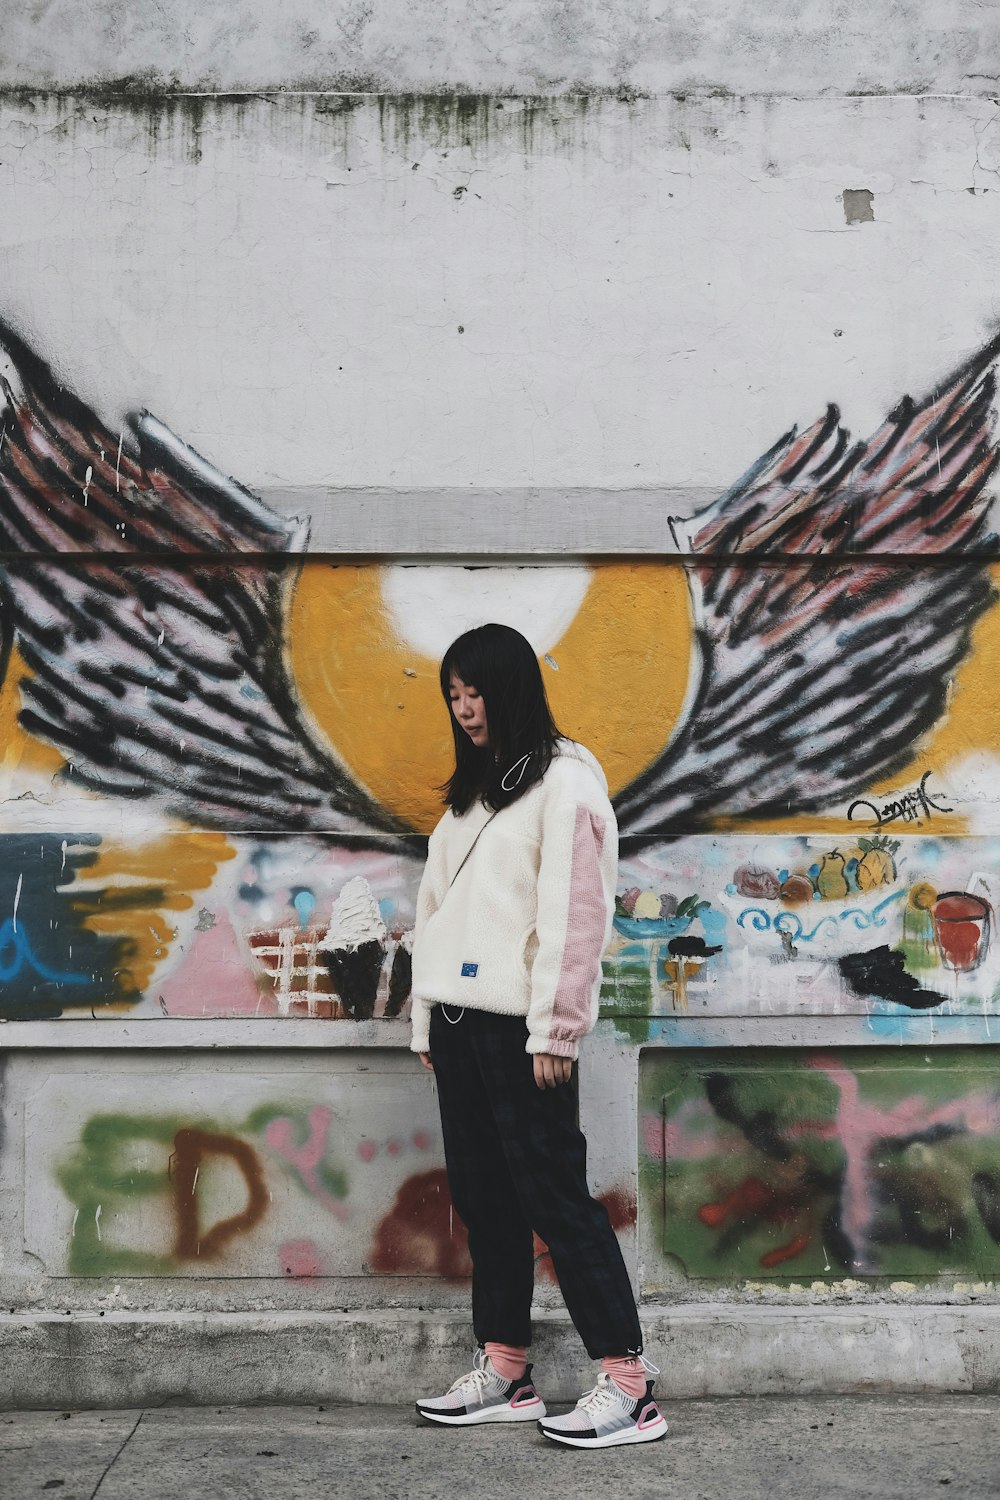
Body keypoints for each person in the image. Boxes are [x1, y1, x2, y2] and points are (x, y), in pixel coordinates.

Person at [409, 622, 667, 1449]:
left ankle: (629, 1386)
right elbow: (434, 913)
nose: (464, 708)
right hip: (456, 1024)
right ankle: (506, 1370)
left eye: (475, 691)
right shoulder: (474, 792)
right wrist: (424, 1017)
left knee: (556, 1196)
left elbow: (575, 916)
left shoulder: (566, 783)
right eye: (452, 695)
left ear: (510, 686)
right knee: (486, 1203)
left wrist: (557, 1027)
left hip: (521, 1032)